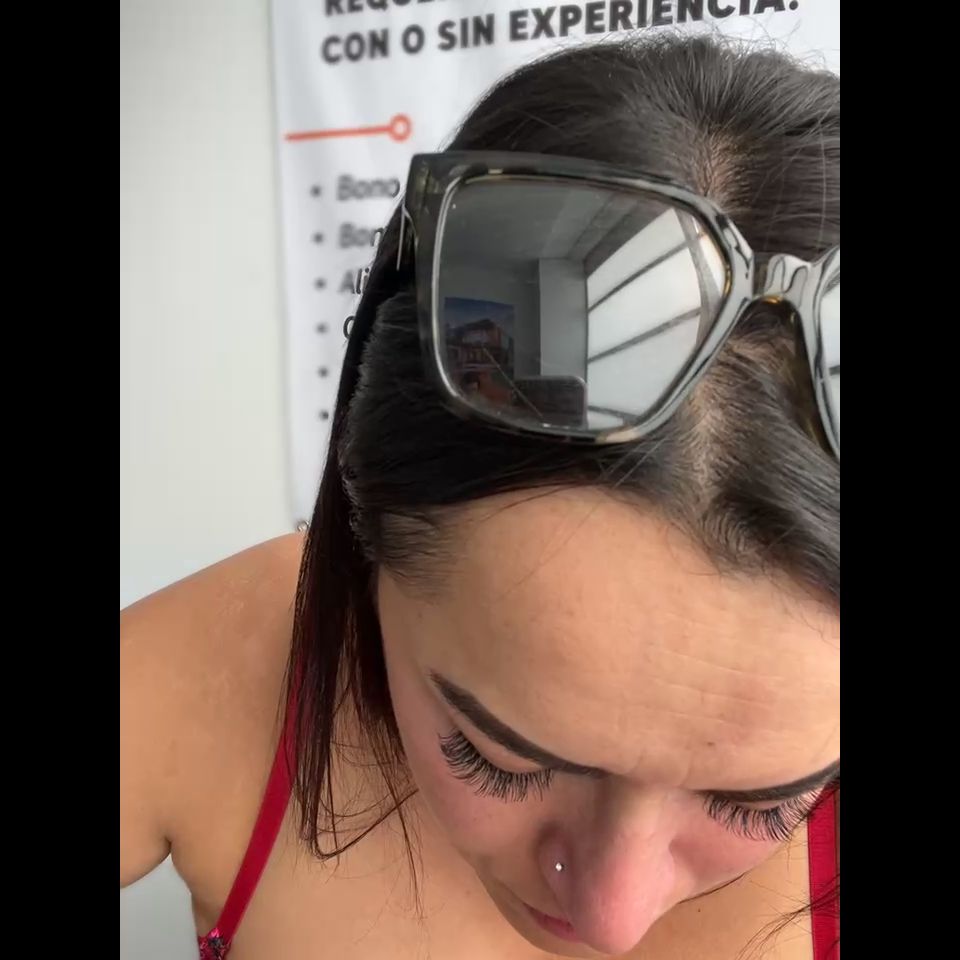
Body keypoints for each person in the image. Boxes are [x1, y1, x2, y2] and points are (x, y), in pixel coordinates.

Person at [121, 33, 840, 960]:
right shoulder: (220, 670)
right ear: (366, 534)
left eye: (764, 803)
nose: (611, 919)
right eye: (494, 757)